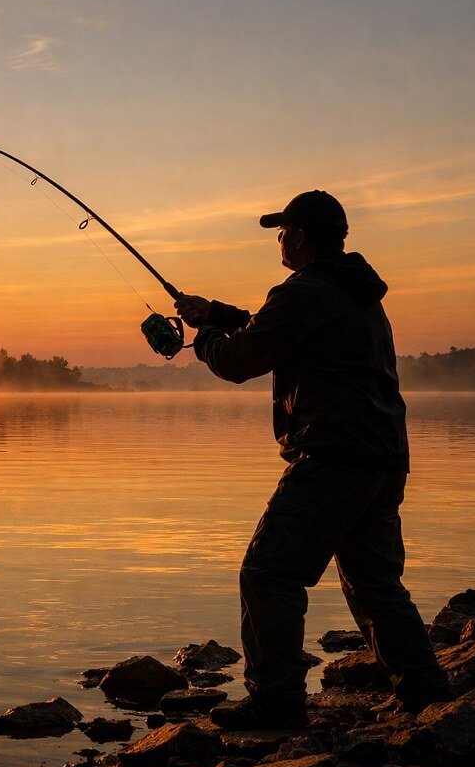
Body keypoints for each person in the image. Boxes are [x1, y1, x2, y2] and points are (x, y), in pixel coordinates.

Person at [166, 190, 452, 730]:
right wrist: (220, 314)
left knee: (269, 571)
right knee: (375, 583)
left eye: (282, 231)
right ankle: (427, 695)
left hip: (333, 457)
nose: (278, 240)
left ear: (299, 237)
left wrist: (205, 338)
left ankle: (275, 704)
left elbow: (241, 359)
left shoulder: (304, 292)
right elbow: (280, 330)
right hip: (382, 457)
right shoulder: (355, 291)